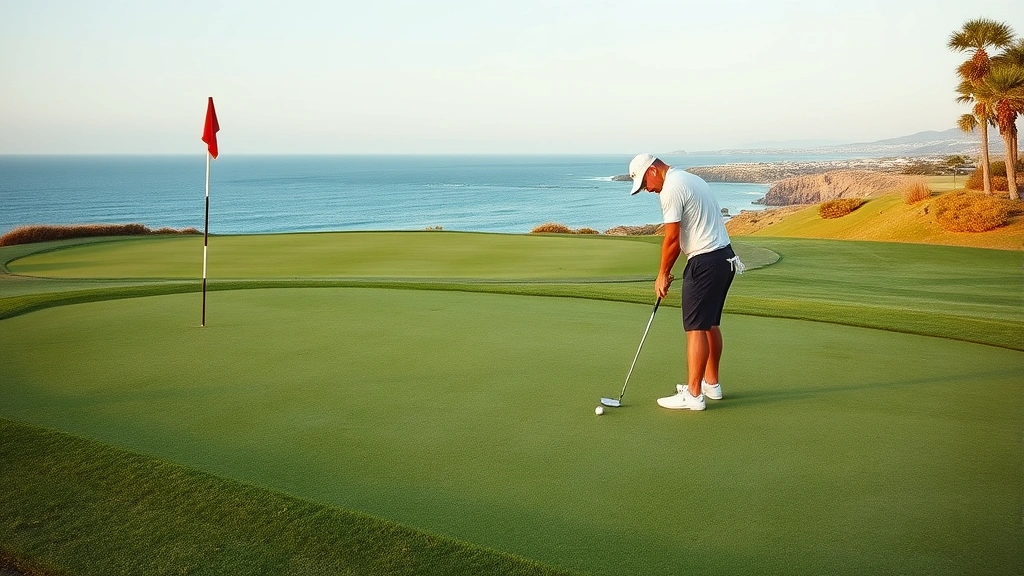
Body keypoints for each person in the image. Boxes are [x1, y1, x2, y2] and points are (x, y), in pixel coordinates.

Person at [628, 153, 744, 411]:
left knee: (695, 329)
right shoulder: (689, 178)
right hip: (724, 258)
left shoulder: (670, 188)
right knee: (710, 323)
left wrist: (662, 273)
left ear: (652, 171)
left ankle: (694, 395)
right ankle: (710, 385)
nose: (647, 190)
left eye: (645, 184)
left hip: (705, 263)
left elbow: (672, 239)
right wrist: (667, 270)